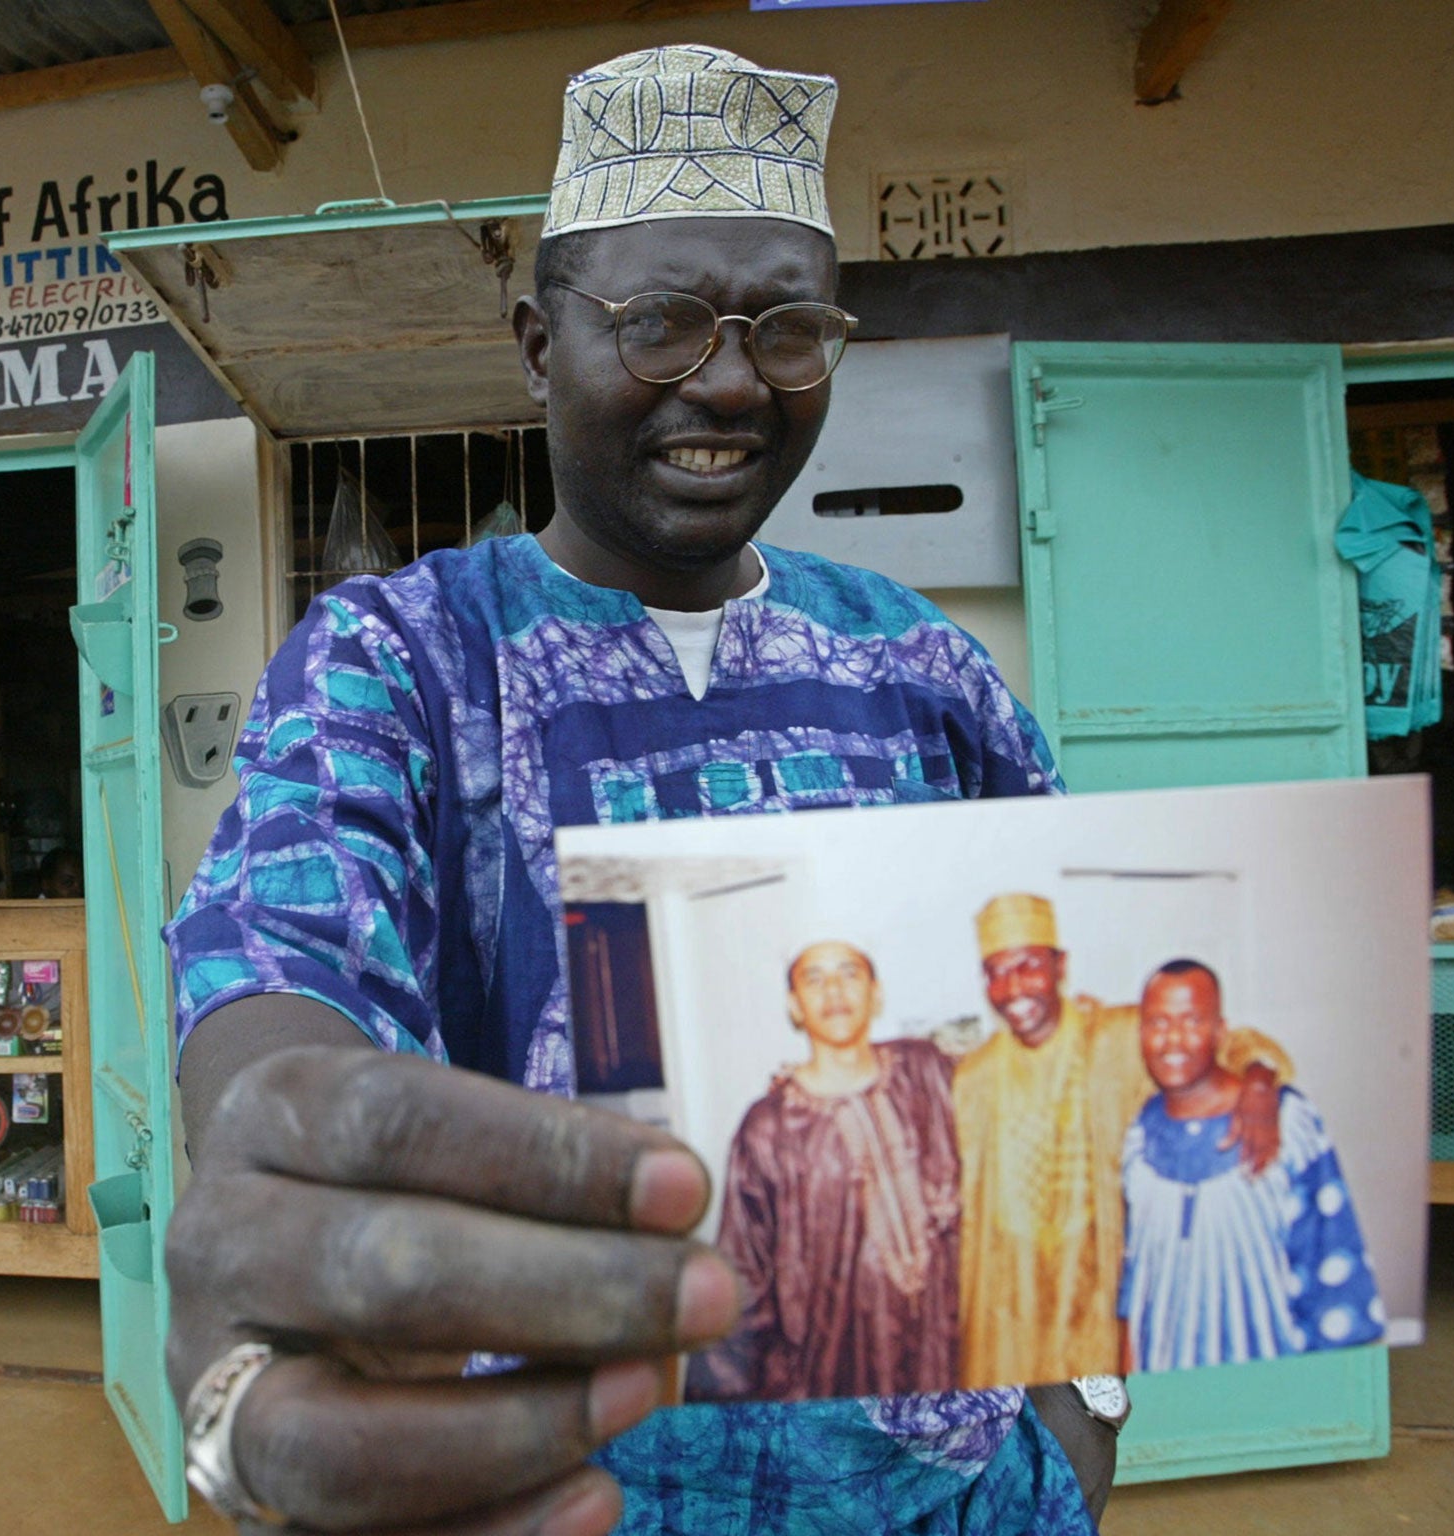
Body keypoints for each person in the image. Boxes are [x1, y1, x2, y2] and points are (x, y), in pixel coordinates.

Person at [163, 45, 1099, 1536]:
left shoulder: (926, 668)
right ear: (541, 346)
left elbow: (1065, 1018)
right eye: (657, 323)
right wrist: (277, 1145)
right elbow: (287, 953)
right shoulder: (402, 659)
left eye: (786, 328)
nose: (728, 380)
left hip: (955, 1492)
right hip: (553, 1492)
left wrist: (1078, 1413)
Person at [954, 893, 1292, 1392]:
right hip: (1008, 1303)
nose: (1013, 988)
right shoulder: (973, 1077)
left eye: (1028, 966)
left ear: (1060, 966)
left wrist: (1259, 1081)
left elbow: (1234, 1041)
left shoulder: (1116, 1037)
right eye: (996, 972)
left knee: (1098, 1425)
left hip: (1097, 1289)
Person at [688, 941, 961, 1402]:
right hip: (833, 1372)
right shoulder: (770, 1126)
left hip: (947, 1356)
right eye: (814, 979)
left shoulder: (927, 1076)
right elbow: (743, 1271)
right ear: (795, 1006)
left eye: (849, 974)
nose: (834, 990)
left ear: (876, 994)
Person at [1119, 960, 1385, 1372]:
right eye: (1157, 1023)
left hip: (1271, 1384)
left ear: (1219, 1031)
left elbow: (1330, 1261)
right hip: (1163, 1393)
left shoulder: (1286, 1121)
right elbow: (1135, 1282)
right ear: (1140, 1033)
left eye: (1191, 1021)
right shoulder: (1137, 1136)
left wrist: (1259, 1078)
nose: (1173, 1039)